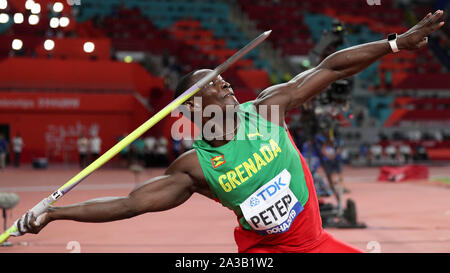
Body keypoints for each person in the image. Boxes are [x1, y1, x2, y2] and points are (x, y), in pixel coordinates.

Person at [15, 11, 445, 253]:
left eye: (224, 80)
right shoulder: (195, 168)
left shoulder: (268, 110)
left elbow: (330, 68)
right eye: (216, 86)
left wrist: (395, 44)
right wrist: (53, 213)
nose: (228, 87)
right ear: (195, 108)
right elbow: (130, 204)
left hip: (317, 244)